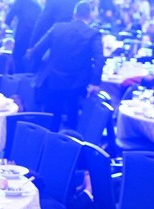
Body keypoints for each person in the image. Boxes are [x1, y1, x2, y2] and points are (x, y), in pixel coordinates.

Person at [27, 1, 104, 129]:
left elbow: (37, 50)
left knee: (52, 116)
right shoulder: (93, 34)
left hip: (54, 78)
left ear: (74, 14)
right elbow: (99, 59)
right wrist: (95, 82)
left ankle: (51, 138)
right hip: (77, 83)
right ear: (89, 16)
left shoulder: (57, 28)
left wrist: (39, 67)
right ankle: (70, 139)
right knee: (73, 115)